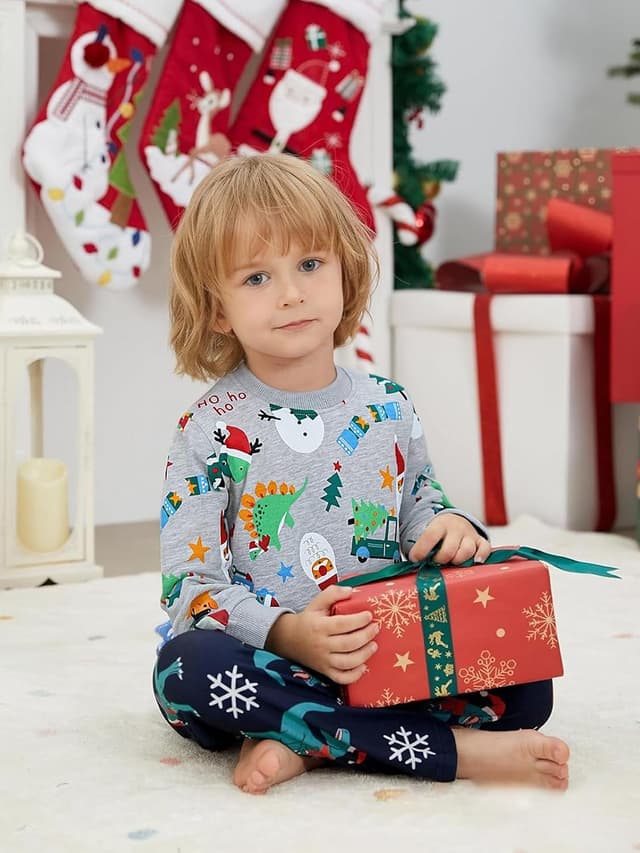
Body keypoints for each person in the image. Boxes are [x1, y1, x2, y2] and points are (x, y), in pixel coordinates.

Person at [154, 153, 570, 795]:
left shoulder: (387, 406)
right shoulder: (209, 428)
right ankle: (447, 751)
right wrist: (291, 635)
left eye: (311, 265)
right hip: (270, 658)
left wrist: (450, 527)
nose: (292, 293)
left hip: (388, 650)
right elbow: (192, 588)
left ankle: (308, 739)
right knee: (184, 670)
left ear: (346, 270)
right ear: (215, 310)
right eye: (257, 277)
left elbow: (421, 509)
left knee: (529, 687)